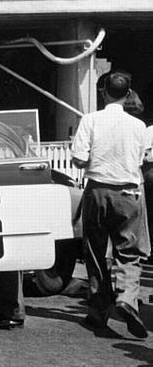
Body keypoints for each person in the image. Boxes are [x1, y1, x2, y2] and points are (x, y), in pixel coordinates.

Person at [71, 71, 150, 339]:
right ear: (128, 94)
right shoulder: (139, 126)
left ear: (103, 92)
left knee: (95, 251)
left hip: (98, 191)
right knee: (129, 251)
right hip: (129, 193)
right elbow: (139, 159)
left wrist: (94, 158)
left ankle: (98, 310)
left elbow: (79, 160)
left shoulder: (90, 120)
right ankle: (127, 298)